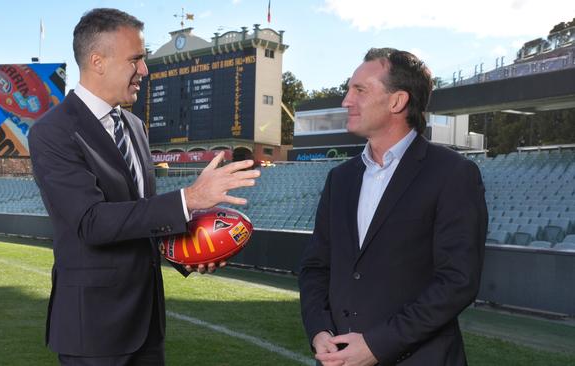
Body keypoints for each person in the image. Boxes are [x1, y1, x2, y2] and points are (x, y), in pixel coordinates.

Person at [28, 8, 260, 365]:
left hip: (148, 325)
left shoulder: (135, 126)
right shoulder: (52, 132)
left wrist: (186, 253)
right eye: (136, 59)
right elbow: (91, 222)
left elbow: (140, 218)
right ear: (97, 61)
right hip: (93, 330)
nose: (145, 71)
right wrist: (191, 198)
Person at [298, 48, 488, 366]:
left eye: (359, 90)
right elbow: (316, 267)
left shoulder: (452, 173)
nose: (346, 100)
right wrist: (320, 331)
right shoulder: (340, 178)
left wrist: (378, 345)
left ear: (397, 101)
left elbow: (457, 281)